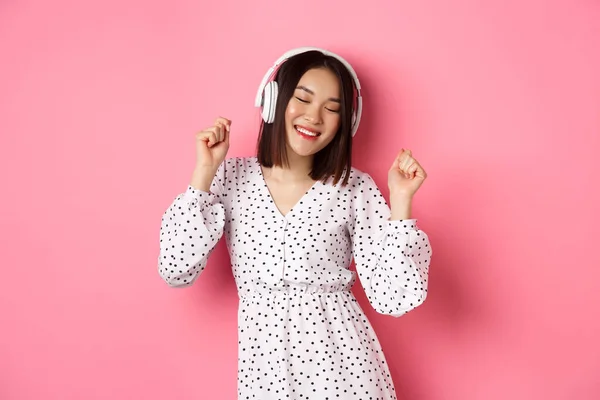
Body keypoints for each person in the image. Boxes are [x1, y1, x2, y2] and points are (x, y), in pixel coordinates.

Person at [158, 47, 432, 400]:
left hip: (346, 372)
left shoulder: (354, 187)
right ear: (273, 101)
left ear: (345, 123)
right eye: (303, 99)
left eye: (332, 109)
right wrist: (203, 173)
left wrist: (401, 200)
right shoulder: (230, 177)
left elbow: (393, 298)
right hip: (265, 376)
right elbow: (175, 268)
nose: (314, 117)